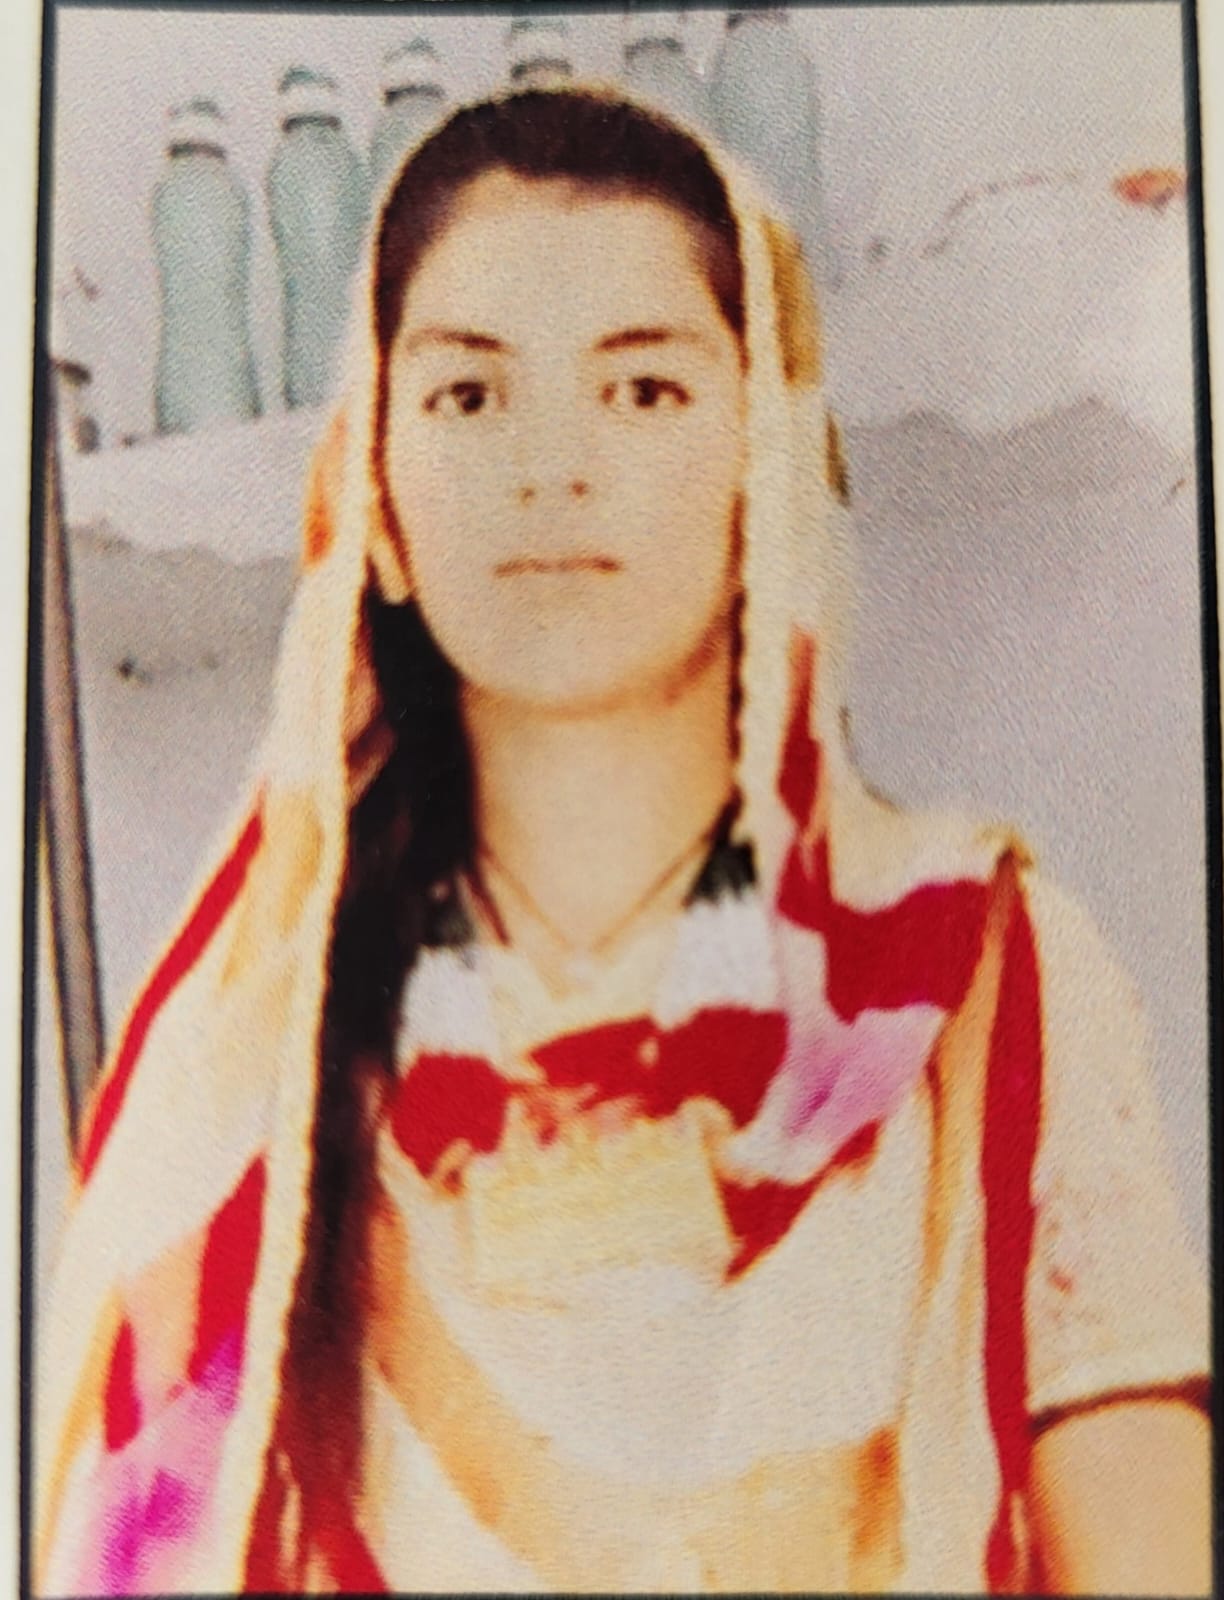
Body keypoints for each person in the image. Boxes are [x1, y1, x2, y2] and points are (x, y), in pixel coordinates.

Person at [34, 86, 1210, 1595]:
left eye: (643, 390)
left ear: (762, 458)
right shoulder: (244, 1059)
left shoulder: (988, 975)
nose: (553, 465)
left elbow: (1143, 1542)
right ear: (373, 490)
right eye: (470, 395)